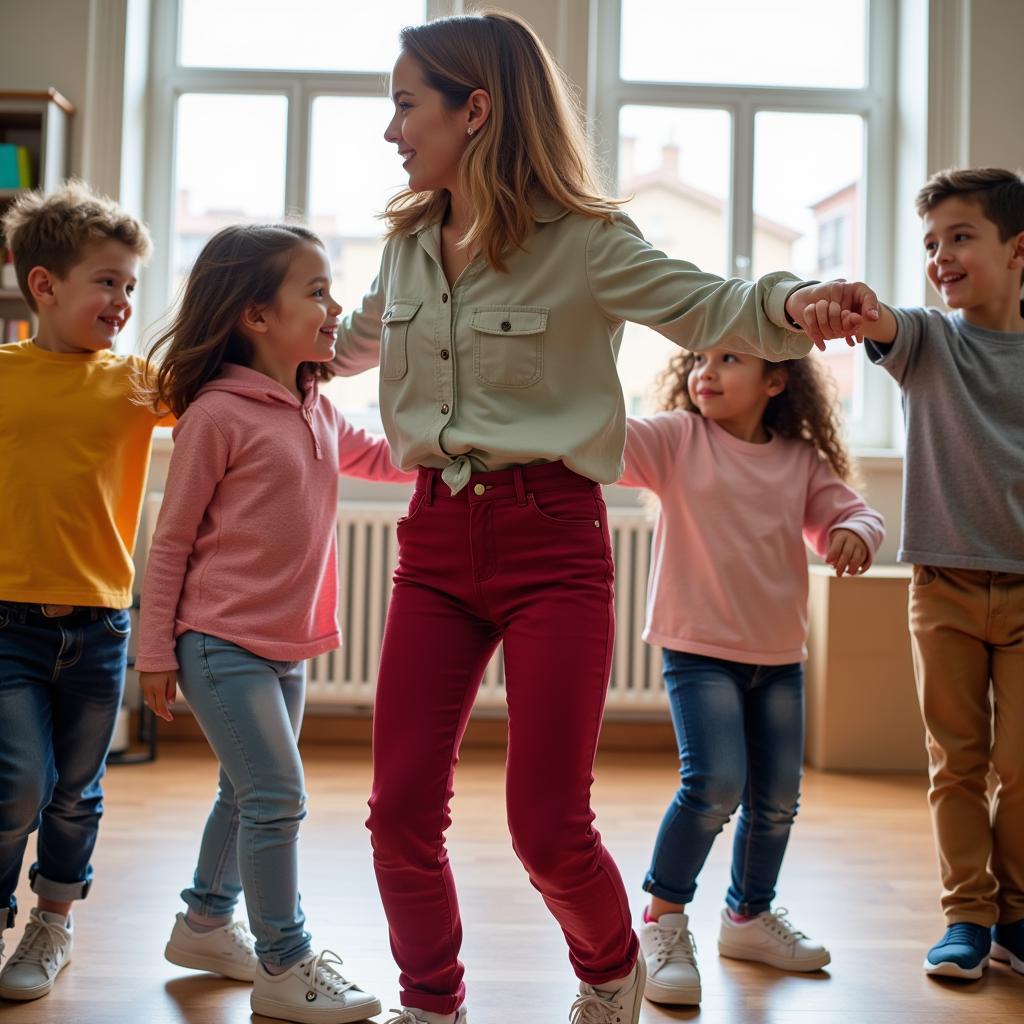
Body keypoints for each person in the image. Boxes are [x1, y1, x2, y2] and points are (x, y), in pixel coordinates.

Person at [328, 13, 882, 1024]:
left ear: (476, 109)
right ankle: (431, 1003)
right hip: (434, 537)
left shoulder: (586, 243)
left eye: (407, 104)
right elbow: (345, 343)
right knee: (399, 812)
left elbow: (711, 305)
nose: (391, 129)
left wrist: (799, 302)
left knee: (545, 825)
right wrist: (238, 334)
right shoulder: (407, 244)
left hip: (553, 542)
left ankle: (607, 966)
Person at [136, 223, 413, 1024]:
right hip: (219, 643)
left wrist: (453, 436)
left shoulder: (313, 403)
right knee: (276, 795)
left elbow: (384, 456)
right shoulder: (218, 414)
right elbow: (172, 542)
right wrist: (155, 652)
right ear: (257, 315)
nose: (335, 308)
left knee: (245, 790)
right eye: (318, 292)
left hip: (283, 644)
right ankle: (285, 963)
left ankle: (204, 924)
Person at [619, 349, 884, 1005]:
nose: (704, 370)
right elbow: (606, 436)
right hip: (697, 649)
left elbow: (851, 513)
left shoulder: (798, 460)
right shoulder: (678, 439)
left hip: (779, 656)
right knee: (713, 784)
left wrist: (855, 532)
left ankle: (746, 916)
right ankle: (663, 920)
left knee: (776, 800)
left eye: (729, 358)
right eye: (699, 357)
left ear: (775, 381)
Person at [0, 180, 165, 1002]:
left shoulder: (136, 383)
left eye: (131, 285)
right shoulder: (4, 374)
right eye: (107, 281)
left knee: (74, 792)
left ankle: (53, 921)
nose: (123, 300)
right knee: (17, 782)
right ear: (44, 285)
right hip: (6, 621)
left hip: (101, 624)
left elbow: (224, 388)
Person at [862, 167, 1024, 981]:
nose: (941, 256)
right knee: (955, 760)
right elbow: (879, 320)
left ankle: (1017, 917)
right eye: (931, 243)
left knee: (1022, 764)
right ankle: (967, 912)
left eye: (961, 237)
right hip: (945, 589)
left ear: (1018, 249)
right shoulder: (927, 338)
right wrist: (847, 301)